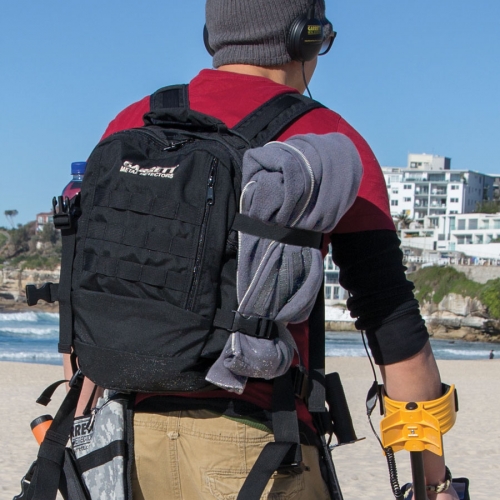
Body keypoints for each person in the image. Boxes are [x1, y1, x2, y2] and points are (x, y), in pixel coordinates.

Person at [65, 0, 459, 498]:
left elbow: (82, 300)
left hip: (123, 448)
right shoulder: (328, 143)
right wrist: (435, 481)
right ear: (305, 37)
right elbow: (393, 326)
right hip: (256, 449)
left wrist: (80, 440)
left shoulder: (131, 123)